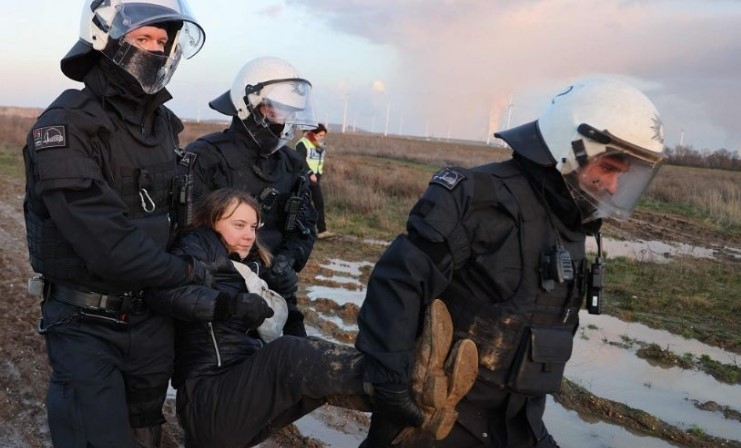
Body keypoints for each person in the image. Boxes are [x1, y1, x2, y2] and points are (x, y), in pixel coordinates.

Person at [354, 77, 666, 447]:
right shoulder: (480, 197)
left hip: (520, 424)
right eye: (609, 168)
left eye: (622, 176)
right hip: (439, 420)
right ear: (571, 146)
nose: (613, 187)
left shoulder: (572, 224)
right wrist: (390, 384)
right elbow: (398, 282)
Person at [21, 1, 225, 446]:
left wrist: (202, 251)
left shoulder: (164, 129)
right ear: (105, 38)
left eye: (162, 41)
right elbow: (107, 243)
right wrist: (189, 274)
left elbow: (185, 220)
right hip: (85, 324)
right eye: (142, 38)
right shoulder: (66, 126)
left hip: (153, 324)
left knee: (145, 435)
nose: (155, 50)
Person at [146, 188, 370, 447]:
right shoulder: (198, 245)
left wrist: (288, 305)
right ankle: (390, 376)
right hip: (209, 398)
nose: (249, 235)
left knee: (310, 381)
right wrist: (229, 305)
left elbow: (283, 329)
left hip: (235, 399)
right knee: (287, 354)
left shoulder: (250, 267)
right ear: (211, 220)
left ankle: (393, 398)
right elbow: (166, 293)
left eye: (254, 226)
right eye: (239, 225)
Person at [182, 56, 319, 338]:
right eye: (278, 111)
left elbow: (304, 229)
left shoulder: (293, 165)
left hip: (275, 295)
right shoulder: (206, 156)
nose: (284, 122)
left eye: (291, 113)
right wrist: (242, 271)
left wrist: (287, 263)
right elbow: (187, 234)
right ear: (251, 107)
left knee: (295, 369)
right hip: (220, 298)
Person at [295, 123, 334, 239]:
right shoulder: (302, 143)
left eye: (324, 136)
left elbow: (319, 160)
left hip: (316, 179)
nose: (322, 138)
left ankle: (322, 231)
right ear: (313, 133)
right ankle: (296, 230)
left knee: (319, 204)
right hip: (305, 178)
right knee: (302, 205)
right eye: (320, 135)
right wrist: (310, 173)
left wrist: (318, 173)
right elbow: (301, 161)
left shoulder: (320, 145)